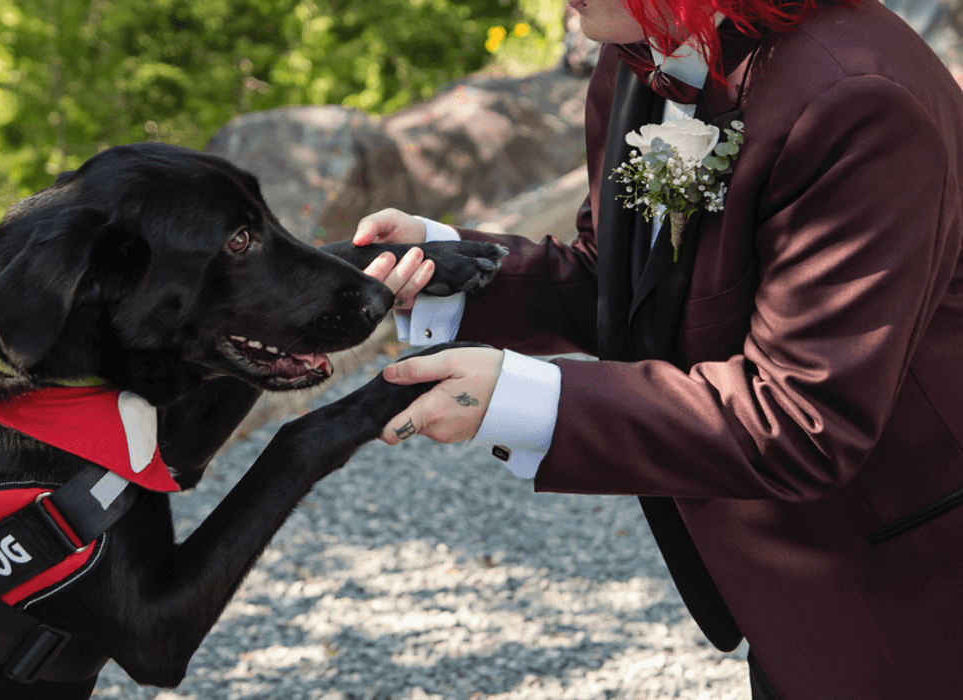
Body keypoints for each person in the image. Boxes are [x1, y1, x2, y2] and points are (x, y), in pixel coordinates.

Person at [353, 0, 963, 696]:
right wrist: (451, 266)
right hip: (793, 589)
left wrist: (520, 399)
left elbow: (801, 419)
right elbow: (619, 278)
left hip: (913, 572)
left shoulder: (855, 97)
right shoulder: (639, 59)